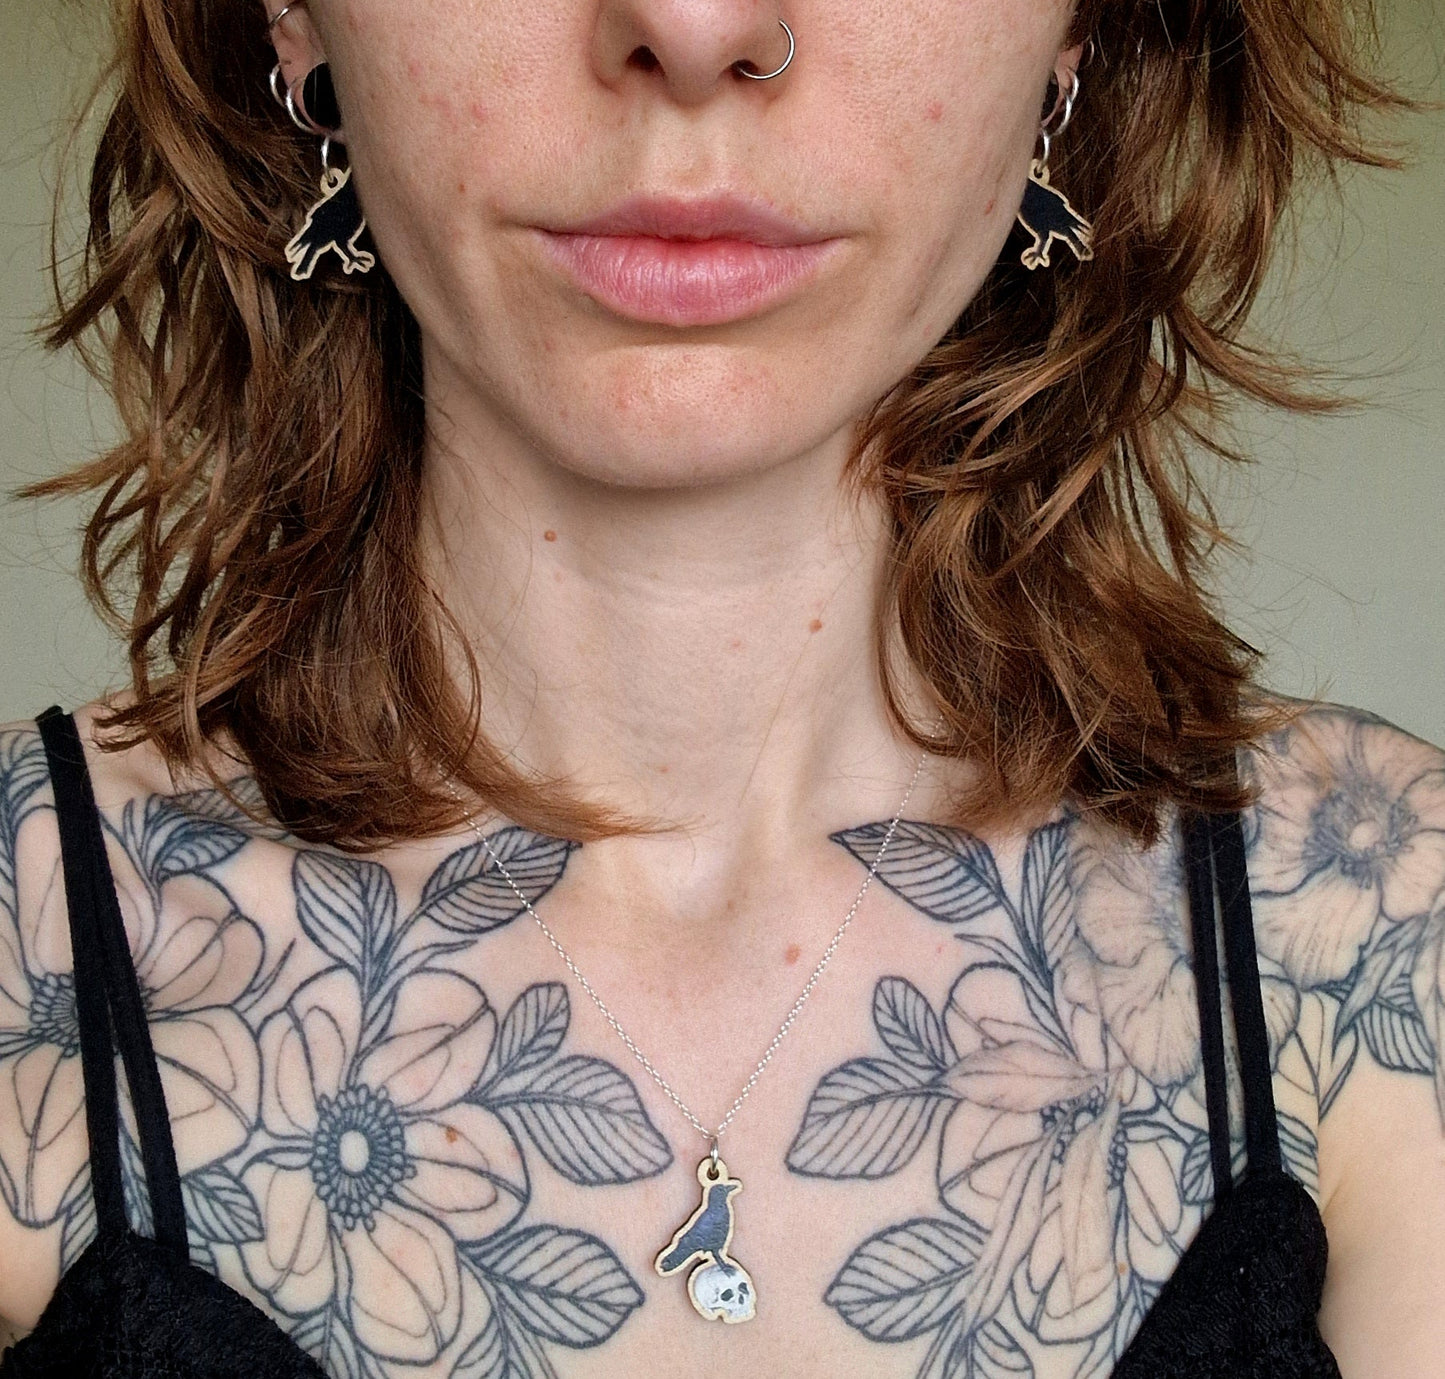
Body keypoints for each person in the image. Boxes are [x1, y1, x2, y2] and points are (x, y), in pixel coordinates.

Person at [0, 0, 1441, 1374]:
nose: (693, 29)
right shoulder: (25, 952)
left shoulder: (1380, 927)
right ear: (289, 15)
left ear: (1078, 28)